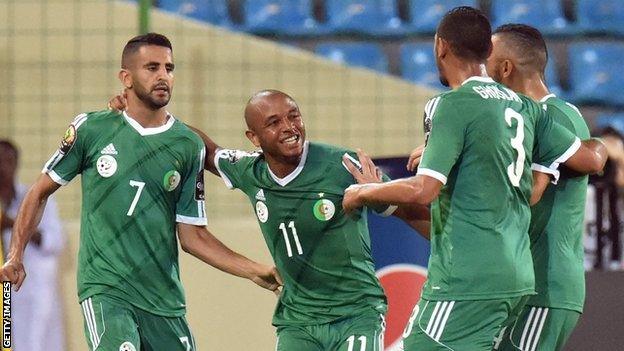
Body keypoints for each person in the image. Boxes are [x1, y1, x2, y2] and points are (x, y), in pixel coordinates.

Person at [341, 7, 606, 350]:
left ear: (440, 47)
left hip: (525, 283)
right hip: (519, 278)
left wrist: (365, 192)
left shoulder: (470, 107)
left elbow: (521, 193)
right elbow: (468, 213)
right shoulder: (524, 112)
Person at [0, 33, 281, 351]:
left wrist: (256, 271)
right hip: (107, 290)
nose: (163, 75)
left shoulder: (187, 144)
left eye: (169, 68)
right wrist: (15, 255)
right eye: (152, 67)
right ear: (126, 77)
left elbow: (193, 237)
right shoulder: (92, 129)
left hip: (164, 301)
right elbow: (39, 192)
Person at [108, 88, 430, 350]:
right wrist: (147, 115)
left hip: (356, 314)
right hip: (297, 320)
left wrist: (448, 243)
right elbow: (205, 149)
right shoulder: (251, 171)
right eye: (274, 122)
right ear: (254, 138)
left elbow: (409, 211)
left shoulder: (342, 166)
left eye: (294, 116)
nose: (290, 127)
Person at [485, 24, 597, 351]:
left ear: (506, 68)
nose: (482, 71)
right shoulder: (549, 115)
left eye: (487, 61)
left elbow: (528, 196)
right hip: (531, 286)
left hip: (545, 286)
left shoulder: (550, 116)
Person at [0, 140, 66, 351]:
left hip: (33, 292)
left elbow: (54, 242)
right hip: (5, 296)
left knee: (34, 344)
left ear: (16, 164)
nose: (3, 167)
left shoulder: (35, 199)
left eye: (7, 161)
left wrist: (11, 223)